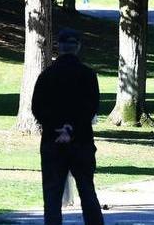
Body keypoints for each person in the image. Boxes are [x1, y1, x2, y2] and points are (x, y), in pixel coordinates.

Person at [32, 28, 104, 225]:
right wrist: (70, 129)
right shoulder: (88, 75)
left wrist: (57, 128)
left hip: (52, 142)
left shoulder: (46, 76)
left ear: (59, 48)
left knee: (52, 194)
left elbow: (37, 108)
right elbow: (91, 107)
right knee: (87, 190)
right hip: (81, 141)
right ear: (77, 47)